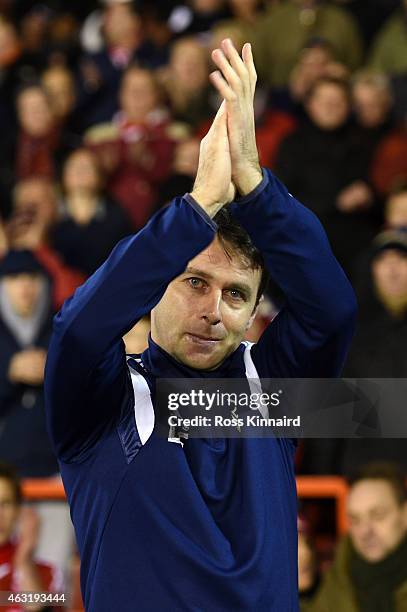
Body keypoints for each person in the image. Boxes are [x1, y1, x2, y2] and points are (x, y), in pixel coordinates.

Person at [44, 39, 356, 611]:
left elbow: (332, 309)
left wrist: (257, 190)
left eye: (237, 294)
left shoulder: (275, 390)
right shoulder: (101, 402)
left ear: (255, 308)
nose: (215, 309)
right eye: (194, 282)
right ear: (155, 283)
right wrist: (197, 206)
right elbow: (79, 330)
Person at [310, 462, 407, 612]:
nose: (364, 531)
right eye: (355, 520)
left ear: (405, 514)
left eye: (378, 515)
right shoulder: (339, 575)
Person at [0, 462, 62, 611]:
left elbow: (40, 609)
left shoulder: (47, 572)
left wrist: (24, 561)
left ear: (18, 511)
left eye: (5, 503)